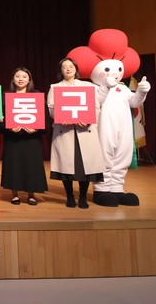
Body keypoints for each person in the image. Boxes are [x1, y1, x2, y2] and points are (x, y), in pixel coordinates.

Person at [47, 58, 105, 209]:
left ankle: (83, 197)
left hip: (85, 130)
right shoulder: (55, 87)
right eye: (64, 67)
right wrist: (61, 117)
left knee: (85, 167)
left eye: (70, 66)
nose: (68, 69)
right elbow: (51, 109)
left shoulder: (88, 86)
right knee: (66, 167)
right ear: (60, 70)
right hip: (64, 131)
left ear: (76, 69)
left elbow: (96, 107)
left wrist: (88, 119)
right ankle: (70, 196)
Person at [1, 67, 48, 205]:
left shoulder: (37, 95)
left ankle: (31, 194)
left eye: (24, 76)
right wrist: (8, 127)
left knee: (31, 165)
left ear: (29, 80)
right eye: (17, 76)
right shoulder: (5, 96)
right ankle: (14, 194)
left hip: (32, 138)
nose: (20, 79)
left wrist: (37, 128)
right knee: (14, 165)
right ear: (13, 79)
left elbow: (45, 116)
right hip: (13, 138)